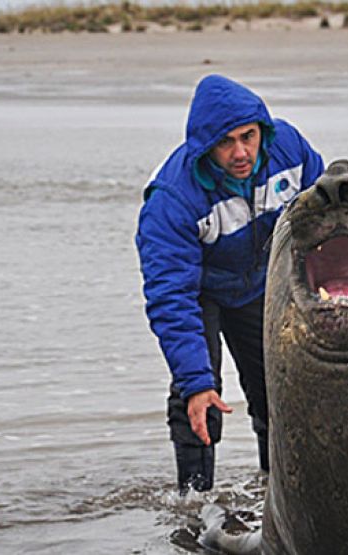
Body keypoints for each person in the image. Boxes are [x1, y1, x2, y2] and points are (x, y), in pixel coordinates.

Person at [136, 74, 324, 493]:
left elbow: (323, 217)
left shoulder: (288, 150)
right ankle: (192, 501)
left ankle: (273, 491)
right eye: (226, 142)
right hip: (198, 292)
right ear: (205, 146)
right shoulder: (172, 199)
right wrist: (197, 382)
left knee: (274, 389)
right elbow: (171, 298)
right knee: (201, 397)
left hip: (258, 282)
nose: (241, 152)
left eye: (249, 136)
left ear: (263, 131)